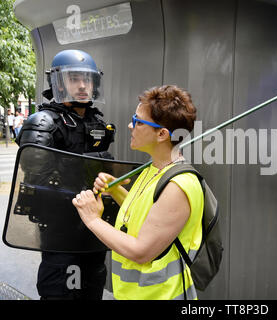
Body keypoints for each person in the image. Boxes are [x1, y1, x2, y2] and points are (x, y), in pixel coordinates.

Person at [72, 85, 204, 300]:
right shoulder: (154, 169)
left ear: (161, 134)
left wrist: (92, 219)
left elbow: (141, 251)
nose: (130, 125)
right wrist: (117, 191)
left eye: (139, 122)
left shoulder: (179, 185)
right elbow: (150, 218)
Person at [16, 49, 115, 300]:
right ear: (58, 82)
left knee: (92, 288)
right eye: (74, 79)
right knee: (60, 291)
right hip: (60, 226)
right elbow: (38, 178)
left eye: (87, 79)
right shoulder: (42, 123)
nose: (83, 85)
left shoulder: (98, 123)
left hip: (94, 226)